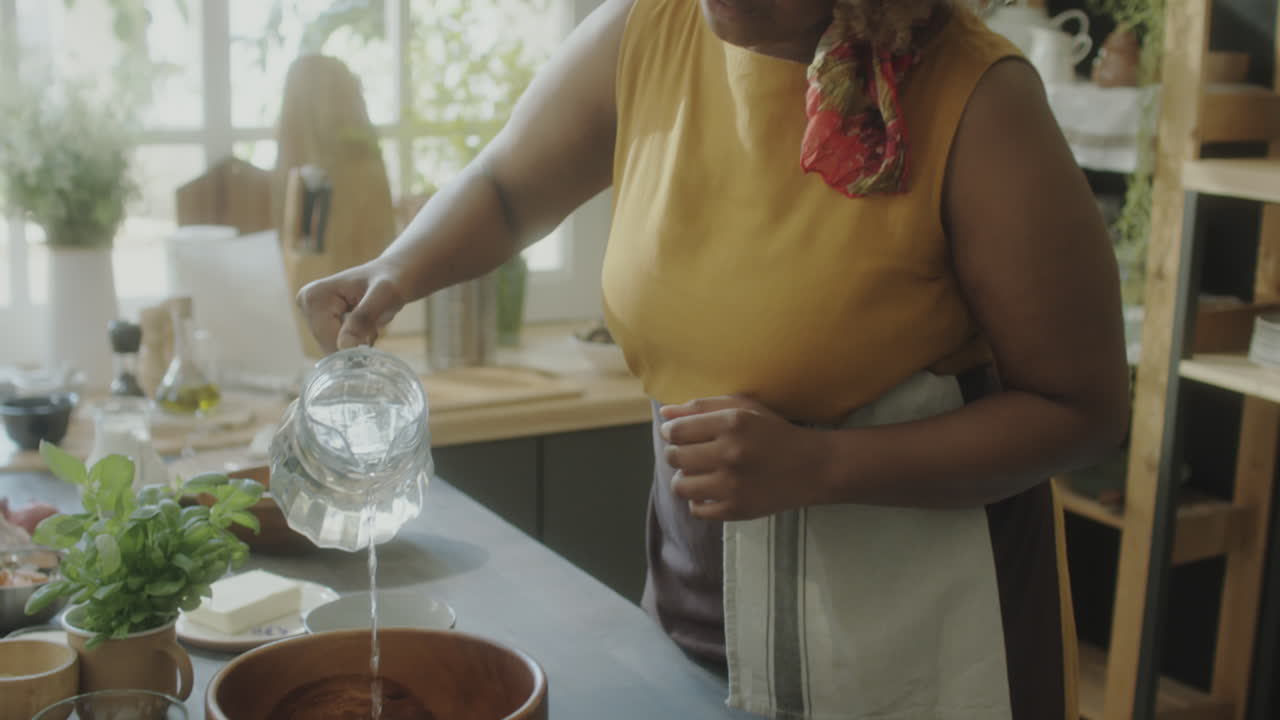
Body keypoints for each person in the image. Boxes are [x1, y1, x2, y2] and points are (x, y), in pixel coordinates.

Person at [297, 1, 1130, 718]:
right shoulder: (649, 31)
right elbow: (509, 186)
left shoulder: (980, 100)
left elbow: (1082, 410)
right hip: (693, 614)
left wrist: (826, 463)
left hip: (923, 642)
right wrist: (398, 267)